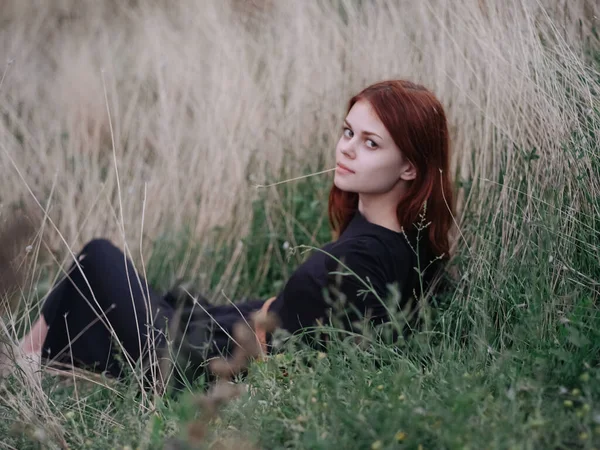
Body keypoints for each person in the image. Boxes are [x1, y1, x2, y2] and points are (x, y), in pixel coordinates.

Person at [17, 79, 455, 387]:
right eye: (347, 132)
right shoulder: (410, 241)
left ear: (410, 166)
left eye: (371, 143)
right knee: (160, 297)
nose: (347, 148)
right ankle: (33, 365)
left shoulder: (361, 260)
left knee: (97, 257)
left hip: (197, 369)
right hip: (220, 340)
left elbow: (299, 352)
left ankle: (24, 366)